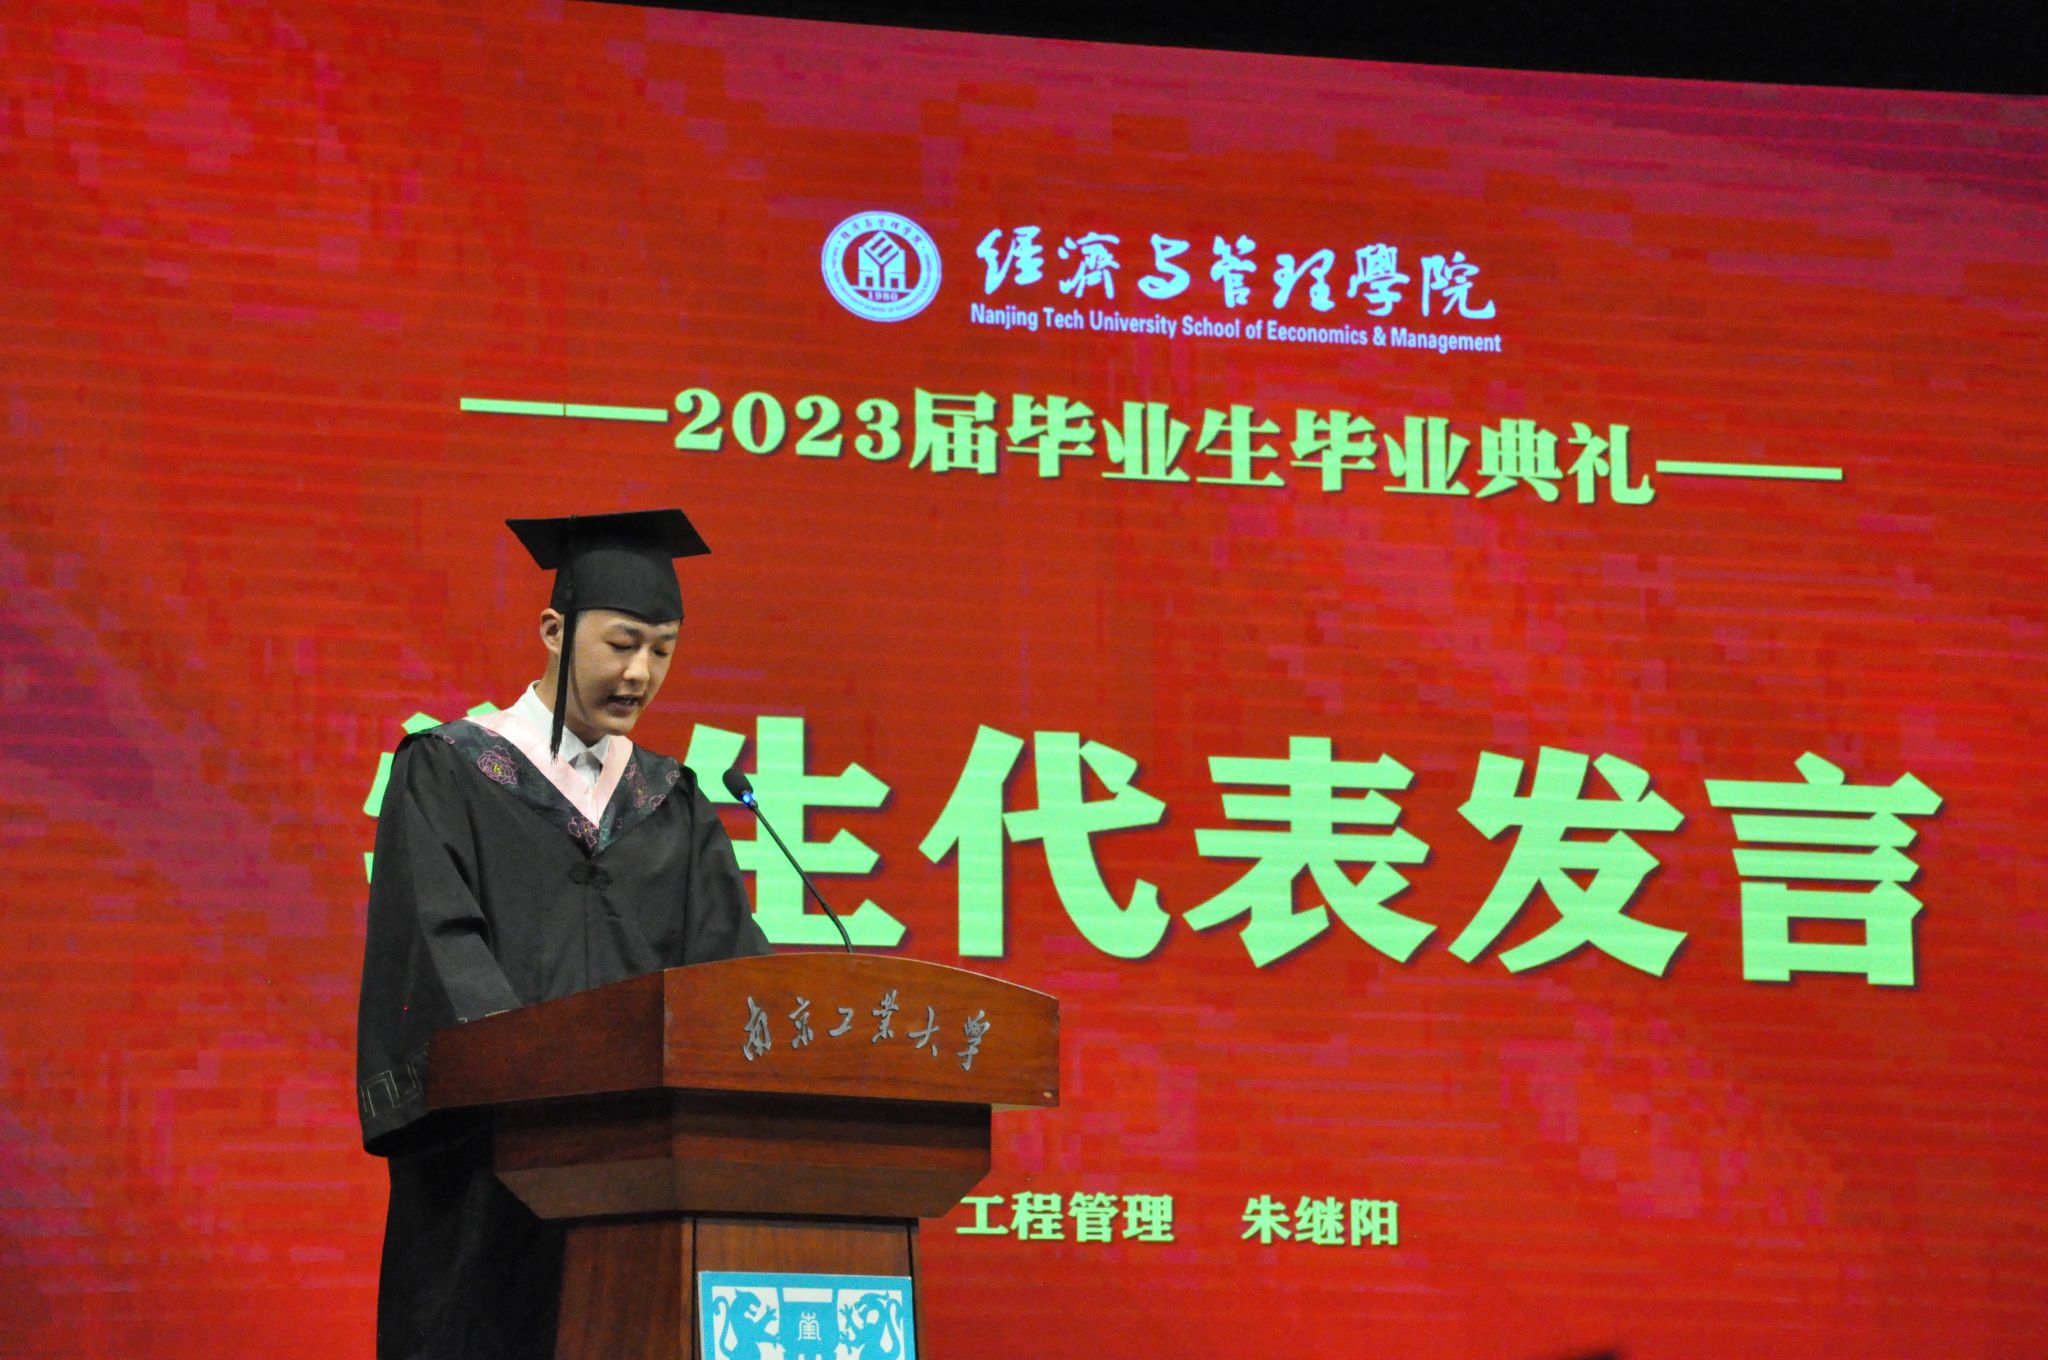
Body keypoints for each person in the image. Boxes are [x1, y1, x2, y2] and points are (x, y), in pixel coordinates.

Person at [355, 509, 771, 1360]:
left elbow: (729, 978)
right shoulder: (449, 771)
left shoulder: (672, 804)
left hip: (642, 1186)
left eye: (662, 650)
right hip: (492, 1174)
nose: (640, 673)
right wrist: (547, 1082)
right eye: (621, 644)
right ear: (554, 630)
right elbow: (437, 951)